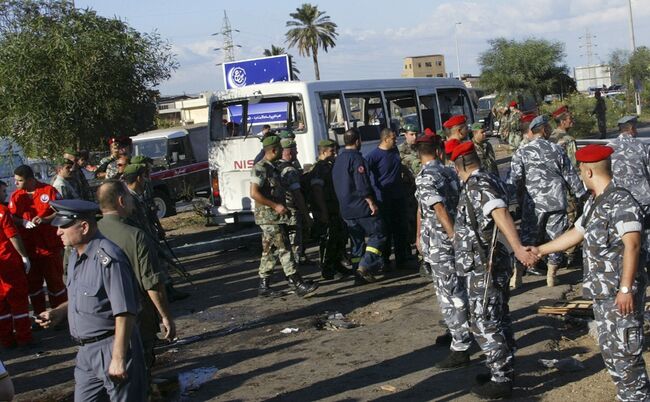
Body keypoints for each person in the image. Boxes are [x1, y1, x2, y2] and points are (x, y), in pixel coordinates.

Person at [535, 144, 649, 401]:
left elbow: (633, 244)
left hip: (620, 297)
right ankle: (627, 396)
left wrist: (626, 288)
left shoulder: (621, 200)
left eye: (579, 169)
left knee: (626, 357)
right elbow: (577, 233)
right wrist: (540, 250)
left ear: (587, 171)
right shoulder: (595, 202)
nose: (578, 173)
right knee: (612, 353)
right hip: (603, 296)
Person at [36, 199, 146, 402]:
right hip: (86, 352)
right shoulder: (76, 256)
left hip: (112, 346)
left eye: (64, 226)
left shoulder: (108, 257)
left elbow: (125, 311)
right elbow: (83, 298)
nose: (58, 232)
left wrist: (118, 358)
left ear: (84, 227)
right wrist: (59, 312)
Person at [451, 141, 538, 399]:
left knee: (484, 321)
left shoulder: (479, 184)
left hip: (485, 266)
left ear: (460, 166)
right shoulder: (489, 178)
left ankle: (501, 379)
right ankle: (502, 370)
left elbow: (500, 213)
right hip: (487, 262)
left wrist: (519, 248)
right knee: (498, 316)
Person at [96, 180, 176, 386]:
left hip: (102, 318)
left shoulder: (90, 234)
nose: (132, 201)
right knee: (141, 366)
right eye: (129, 198)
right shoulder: (135, 236)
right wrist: (165, 316)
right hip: (137, 315)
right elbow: (151, 283)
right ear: (121, 201)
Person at [507, 115, 586, 288]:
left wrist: (509, 201)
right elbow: (571, 176)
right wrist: (583, 196)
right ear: (543, 130)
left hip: (533, 206)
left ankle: (517, 275)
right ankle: (552, 276)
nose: (550, 130)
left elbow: (514, 180)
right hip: (556, 202)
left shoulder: (522, 152)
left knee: (527, 240)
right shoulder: (557, 150)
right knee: (555, 238)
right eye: (548, 128)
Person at [414, 134, 471, 368]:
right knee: (454, 288)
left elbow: (437, 207)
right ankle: (455, 329)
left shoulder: (426, 176)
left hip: (442, 242)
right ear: (438, 150)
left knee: (450, 292)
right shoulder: (449, 172)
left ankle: (461, 346)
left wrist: (451, 235)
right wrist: (418, 235)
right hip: (446, 238)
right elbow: (422, 207)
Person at [249, 135, 318, 297]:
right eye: (280, 148)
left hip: (274, 217)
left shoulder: (273, 168)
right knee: (285, 247)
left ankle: (264, 284)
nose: (283, 151)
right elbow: (254, 193)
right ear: (274, 150)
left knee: (270, 250)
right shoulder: (261, 168)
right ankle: (296, 282)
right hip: (268, 217)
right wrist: (275, 205)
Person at [122, 164, 189, 302]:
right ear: (139, 178)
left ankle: (167, 291)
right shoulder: (129, 199)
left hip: (149, 237)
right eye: (144, 176)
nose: (146, 180)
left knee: (159, 264)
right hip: (142, 242)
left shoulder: (135, 196)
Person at [8, 165, 66, 316]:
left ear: (30, 180)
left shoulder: (48, 191)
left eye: (19, 180)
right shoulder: (16, 196)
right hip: (30, 248)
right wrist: (22, 222)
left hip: (49, 248)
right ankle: (40, 316)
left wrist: (45, 219)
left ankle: (59, 315)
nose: (16, 183)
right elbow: (11, 216)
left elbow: (61, 210)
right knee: (34, 286)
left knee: (56, 283)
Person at [332, 129, 386, 283]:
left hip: (346, 209)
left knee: (357, 243)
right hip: (361, 206)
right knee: (378, 234)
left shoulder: (338, 160)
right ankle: (365, 265)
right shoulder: (357, 159)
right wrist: (371, 201)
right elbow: (361, 184)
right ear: (357, 141)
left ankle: (358, 275)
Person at [366, 128, 411, 268]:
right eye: (393, 138)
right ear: (385, 139)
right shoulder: (373, 156)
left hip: (398, 195)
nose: (395, 140)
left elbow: (399, 166)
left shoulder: (395, 151)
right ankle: (384, 261)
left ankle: (402, 259)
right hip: (384, 198)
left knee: (401, 228)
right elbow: (364, 174)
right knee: (386, 230)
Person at [608, 115, 650, 265]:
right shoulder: (642, 147)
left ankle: (626, 266)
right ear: (631, 128)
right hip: (643, 200)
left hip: (619, 200)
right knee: (645, 234)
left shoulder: (609, 148)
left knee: (622, 235)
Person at [309, 139, 350, 279]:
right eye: (332, 151)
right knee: (327, 240)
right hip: (326, 209)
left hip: (334, 208)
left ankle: (337, 264)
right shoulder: (319, 168)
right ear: (323, 152)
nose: (335, 154)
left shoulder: (329, 166)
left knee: (338, 238)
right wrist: (323, 211)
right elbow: (317, 190)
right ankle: (327, 269)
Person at [0, 194, 32, 348]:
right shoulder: (2, 211)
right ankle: (24, 337)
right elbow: (13, 236)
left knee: (1, 306)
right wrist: (24, 256)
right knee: (19, 301)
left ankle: (6, 339)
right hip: (8, 262)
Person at [276, 138, 312, 264]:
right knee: (295, 240)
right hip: (292, 209)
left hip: (281, 209)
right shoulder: (290, 170)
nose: (297, 153)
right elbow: (297, 194)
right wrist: (306, 214)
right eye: (295, 150)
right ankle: (295, 268)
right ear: (289, 152)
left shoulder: (276, 167)